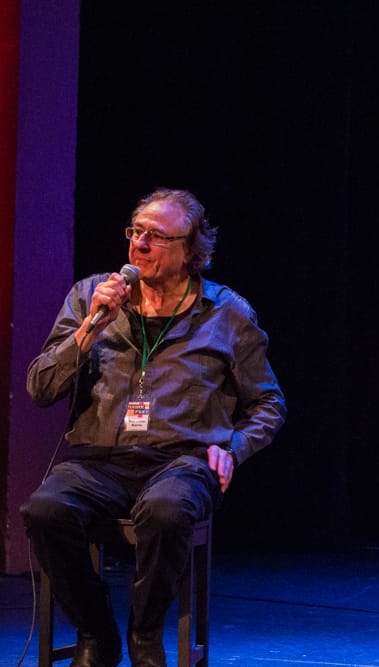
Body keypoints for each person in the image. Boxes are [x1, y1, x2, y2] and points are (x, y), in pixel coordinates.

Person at [21, 188, 286, 667]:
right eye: (135, 231)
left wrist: (236, 447)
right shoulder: (89, 299)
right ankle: (96, 634)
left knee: (165, 511)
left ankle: (145, 636)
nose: (139, 244)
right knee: (44, 510)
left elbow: (268, 401)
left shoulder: (226, 314)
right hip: (97, 461)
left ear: (191, 253)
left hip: (182, 461)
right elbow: (39, 388)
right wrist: (88, 331)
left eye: (157, 236)